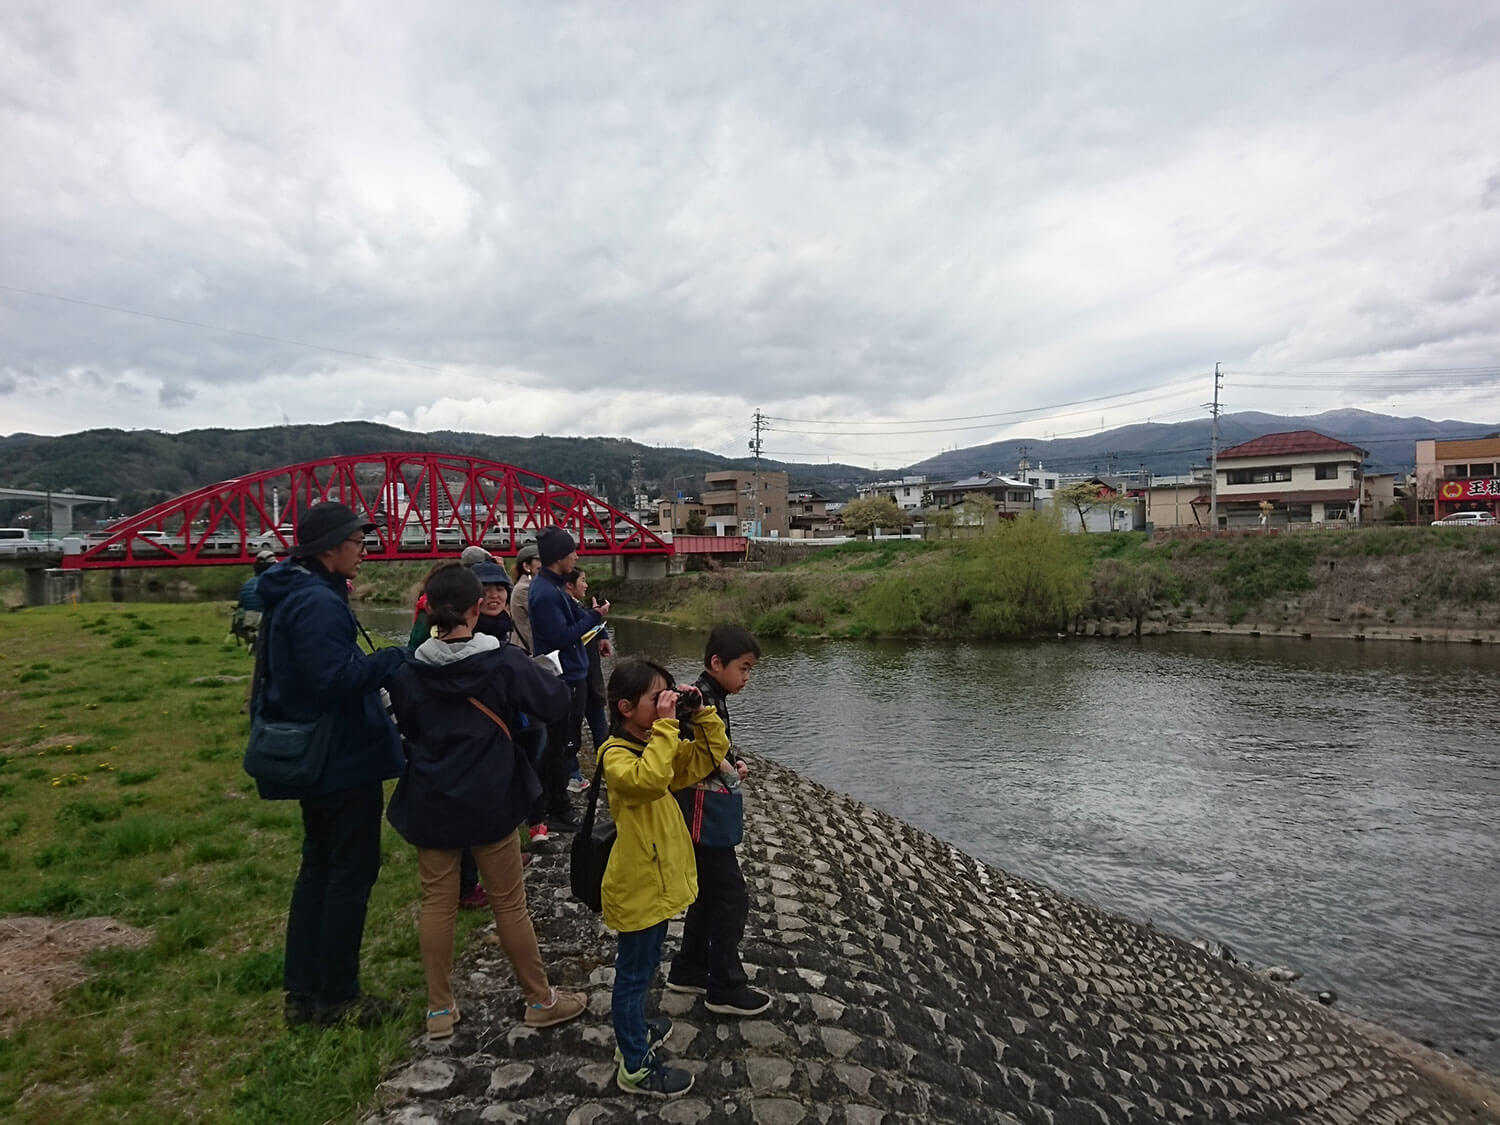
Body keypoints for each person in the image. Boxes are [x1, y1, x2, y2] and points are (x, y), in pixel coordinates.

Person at [385, 566, 586, 1039]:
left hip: (432, 796)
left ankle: (439, 1010)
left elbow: (408, 728)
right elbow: (554, 704)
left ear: (429, 610)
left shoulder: (409, 670)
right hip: (491, 795)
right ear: (476, 608)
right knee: (510, 903)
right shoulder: (502, 663)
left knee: (437, 901)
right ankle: (539, 1000)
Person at [254, 502, 408, 1028]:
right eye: (357, 542)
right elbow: (334, 681)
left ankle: (303, 994)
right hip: (340, 758)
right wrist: (388, 660)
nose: (364, 551)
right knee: (348, 873)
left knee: (318, 869)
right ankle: (338, 997)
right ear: (329, 547)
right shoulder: (317, 601)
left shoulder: (295, 591)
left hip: (317, 756)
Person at [598, 658, 729, 1098]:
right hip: (637, 885)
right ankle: (634, 1065)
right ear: (625, 708)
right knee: (633, 975)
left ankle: (635, 1028)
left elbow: (709, 756)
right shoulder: (617, 756)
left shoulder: (653, 744)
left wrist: (701, 714)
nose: (665, 705)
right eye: (656, 699)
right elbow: (651, 781)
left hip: (655, 881)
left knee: (647, 964)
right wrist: (669, 726)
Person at [666, 625, 771, 1015]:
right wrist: (726, 769)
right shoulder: (697, 698)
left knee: (709, 893)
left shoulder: (713, 695)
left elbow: (715, 746)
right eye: (743, 668)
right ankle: (725, 985)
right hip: (700, 812)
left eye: (749, 670)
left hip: (701, 809)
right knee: (730, 897)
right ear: (716, 663)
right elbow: (689, 749)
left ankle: (689, 969)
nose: (746, 678)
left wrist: (732, 761)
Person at [526, 527, 609, 832]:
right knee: (561, 746)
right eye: (571, 551)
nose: (576, 556)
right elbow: (562, 636)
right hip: (563, 679)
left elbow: (576, 620)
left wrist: (596, 623)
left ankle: (552, 804)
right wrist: (596, 617)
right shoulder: (546, 593)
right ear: (558, 556)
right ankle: (556, 809)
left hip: (572, 675)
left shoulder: (552, 587)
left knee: (564, 744)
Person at [562, 567, 611, 792]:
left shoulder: (577, 607)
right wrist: (596, 616)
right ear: (569, 584)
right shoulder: (562, 608)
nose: (586, 585)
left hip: (591, 675)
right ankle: (573, 774)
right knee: (573, 726)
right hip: (576, 677)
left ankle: (609, 768)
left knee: (600, 724)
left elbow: (589, 625)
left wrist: (602, 633)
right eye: (582, 580)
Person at [509, 543, 541, 653]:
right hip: (525, 650)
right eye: (539, 560)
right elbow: (545, 615)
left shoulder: (527, 586)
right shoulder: (525, 588)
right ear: (527, 566)